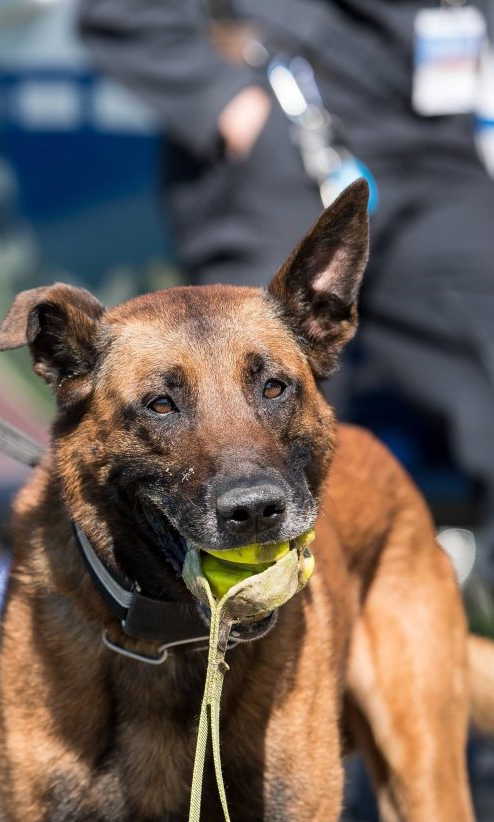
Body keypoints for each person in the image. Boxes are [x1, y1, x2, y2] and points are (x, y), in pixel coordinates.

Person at [79, 0, 494, 581]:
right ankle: (244, 646)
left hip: (436, 143)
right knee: (244, 415)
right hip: (285, 122)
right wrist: (221, 96)